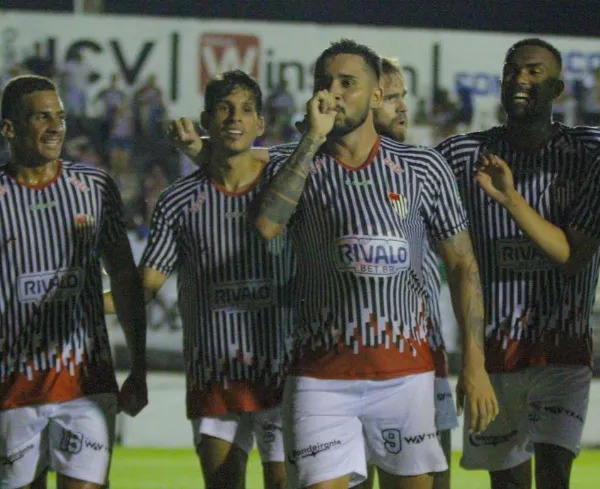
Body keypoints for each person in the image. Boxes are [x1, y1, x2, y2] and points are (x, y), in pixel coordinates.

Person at [252, 39, 498, 489]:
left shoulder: (423, 166)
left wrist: (475, 365)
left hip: (407, 378)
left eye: (348, 83)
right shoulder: (293, 162)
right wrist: (312, 139)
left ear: (376, 95)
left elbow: (463, 265)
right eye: (324, 83)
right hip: (319, 378)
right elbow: (267, 226)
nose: (333, 92)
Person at [108, 70, 294, 489]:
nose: (235, 117)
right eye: (225, 109)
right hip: (214, 375)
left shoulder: (287, 186)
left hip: (282, 372)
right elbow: (144, 288)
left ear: (260, 123)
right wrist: (85, 300)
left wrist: (199, 148)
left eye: (246, 110)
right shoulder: (178, 200)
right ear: (207, 120)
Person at [435, 38, 600, 489]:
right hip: (494, 355)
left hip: (561, 349)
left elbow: (573, 258)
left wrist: (511, 199)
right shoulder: (461, 155)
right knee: (506, 484)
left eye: (533, 71)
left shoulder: (589, 153)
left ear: (558, 89)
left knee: (553, 476)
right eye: (512, 71)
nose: (519, 80)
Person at [0, 75, 147, 489]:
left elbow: (125, 279)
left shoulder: (95, 188)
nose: (55, 127)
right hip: (12, 389)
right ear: (9, 128)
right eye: (41, 117)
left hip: (87, 384)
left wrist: (138, 368)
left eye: (60, 117)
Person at [356, 56, 457, 489]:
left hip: (425, 357)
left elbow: (462, 260)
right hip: (349, 363)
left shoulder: (425, 167)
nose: (402, 107)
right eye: (390, 97)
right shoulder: (325, 167)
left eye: (403, 96)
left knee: (436, 480)